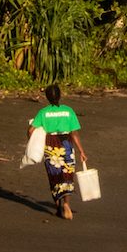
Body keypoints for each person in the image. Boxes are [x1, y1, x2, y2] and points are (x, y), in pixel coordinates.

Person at [29, 85, 88, 220]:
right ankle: (67, 204)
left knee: (54, 176)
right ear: (60, 96)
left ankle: (58, 207)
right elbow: (74, 132)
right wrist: (81, 151)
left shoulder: (43, 112)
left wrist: (32, 144)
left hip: (50, 144)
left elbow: (31, 130)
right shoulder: (68, 111)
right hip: (66, 143)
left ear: (47, 97)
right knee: (67, 174)